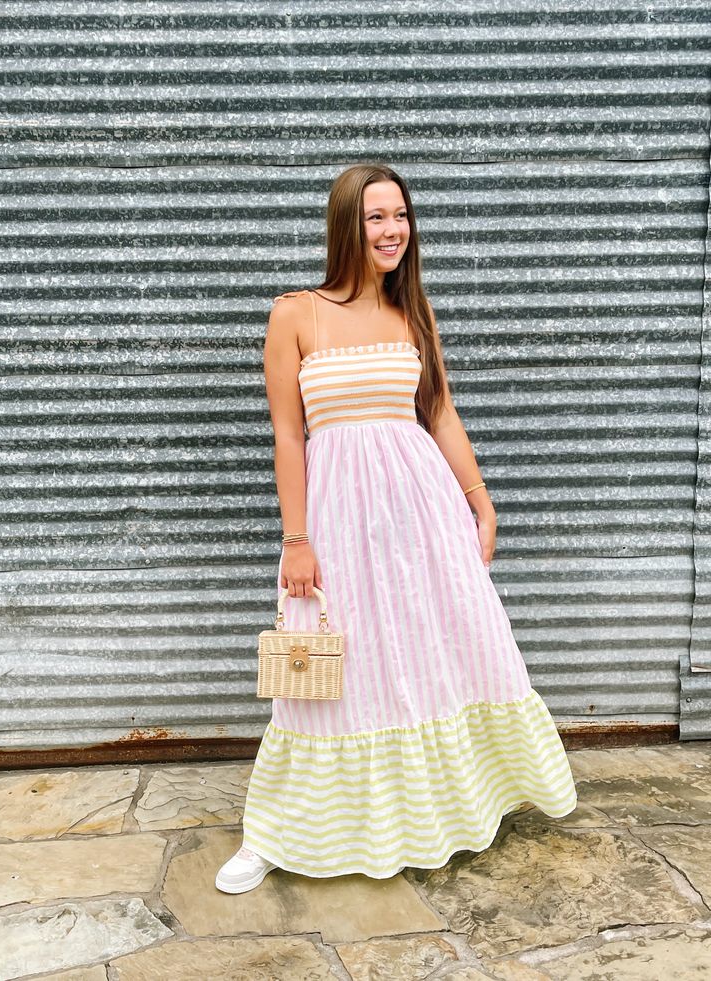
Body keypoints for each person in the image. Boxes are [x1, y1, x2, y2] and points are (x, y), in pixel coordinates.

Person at [216, 163, 577, 894]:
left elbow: (438, 412)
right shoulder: (296, 313)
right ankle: (275, 832)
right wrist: (296, 539)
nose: (392, 230)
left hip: (422, 513)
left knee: (435, 654)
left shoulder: (412, 312)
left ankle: (442, 813)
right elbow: (289, 436)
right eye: (377, 216)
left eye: (401, 216)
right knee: (319, 676)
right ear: (346, 223)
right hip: (336, 518)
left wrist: (480, 500)